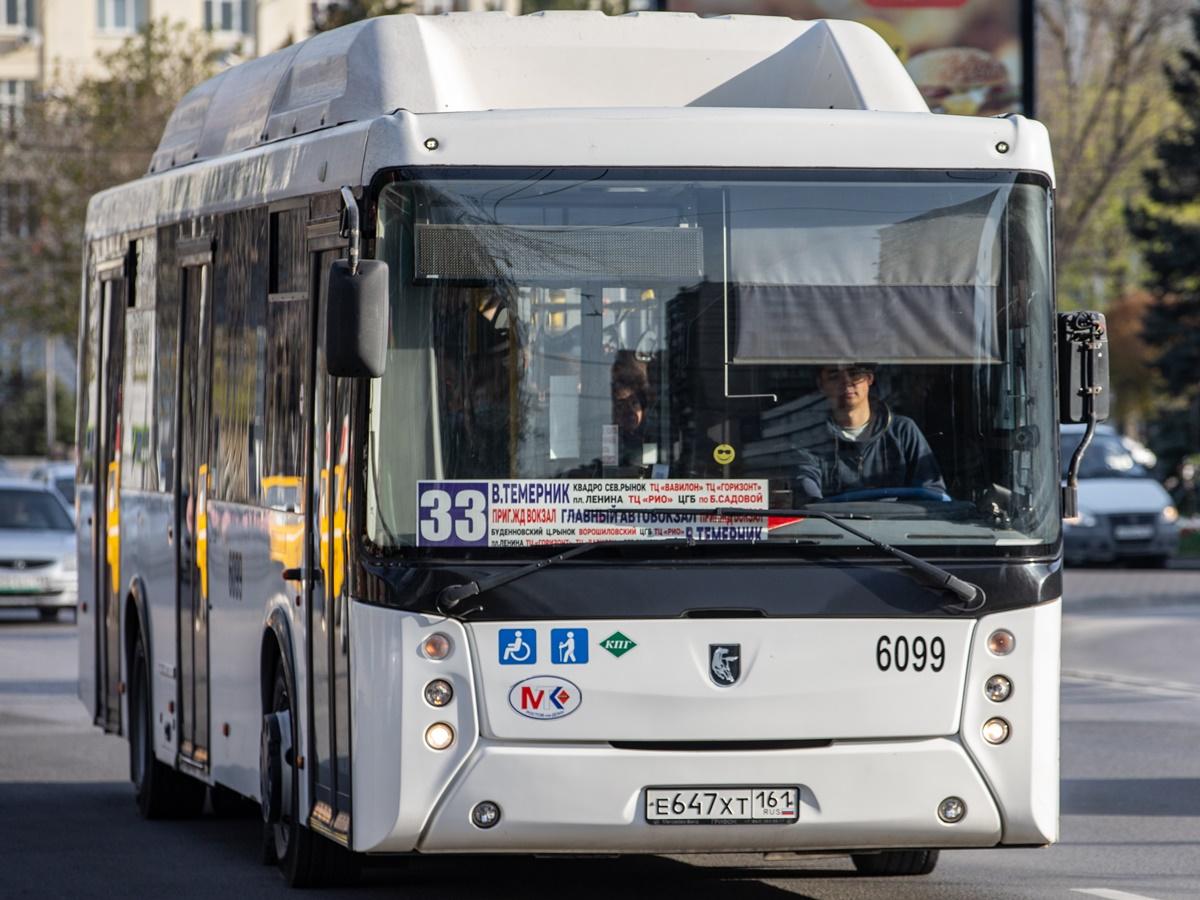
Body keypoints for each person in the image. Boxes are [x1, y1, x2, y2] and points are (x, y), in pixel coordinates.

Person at [794, 363, 945, 501]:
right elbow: (808, 493)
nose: (846, 382)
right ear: (821, 384)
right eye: (834, 375)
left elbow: (931, 492)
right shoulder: (812, 439)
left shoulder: (903, 431)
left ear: (869, 379)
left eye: (854, 373)